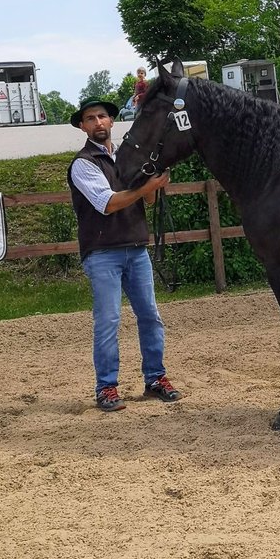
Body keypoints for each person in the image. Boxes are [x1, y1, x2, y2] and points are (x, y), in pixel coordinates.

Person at [67, 92, 183, 410]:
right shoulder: (83, 164)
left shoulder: (127, 158)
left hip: (136, 247)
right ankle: (106, 387)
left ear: (111, 121)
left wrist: (154, 186)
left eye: (102, 116)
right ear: (83, 127)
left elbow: (149, 202)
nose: (98, 122)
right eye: (90, 118)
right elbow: (107, 204)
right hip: (103, 252)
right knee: (108, 320)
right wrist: (146, 187)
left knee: (151, 316)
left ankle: (155, 378)